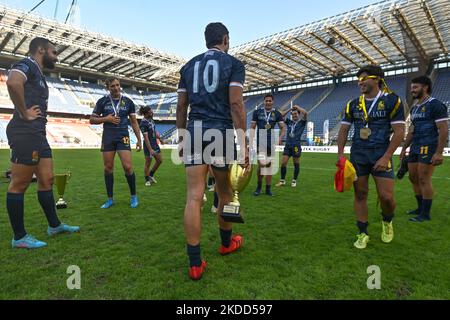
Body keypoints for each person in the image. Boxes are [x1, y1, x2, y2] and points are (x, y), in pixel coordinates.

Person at [176, 22, 249, 281]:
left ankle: (195, 264)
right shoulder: (233, 64)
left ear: (206, 40)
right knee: (225, 192)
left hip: (195, 131)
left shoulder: (188, 66)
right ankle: (226, 243)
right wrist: (244, 143)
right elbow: (236, 103)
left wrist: (182, 136)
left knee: (194, 197)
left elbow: (182, 105)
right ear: (226, 39)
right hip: (220, 132)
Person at [5, 37, 79, 249]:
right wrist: (23, 112)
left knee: (46, 179)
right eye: (54, 52)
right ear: (40, 50)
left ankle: (54, 226)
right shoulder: (27, 64)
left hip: (38, 134)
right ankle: (19, 237)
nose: (56, 57)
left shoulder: (37, 71)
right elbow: (12, 81)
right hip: (25, 132)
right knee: (19, 184)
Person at [337, 65, 405, 250]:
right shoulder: (353, 104)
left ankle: (387, 220)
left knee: (386, 197)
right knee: (360, 194)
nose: (360, 82)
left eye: (364, 78)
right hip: (358, 155)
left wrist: (387, 156)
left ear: (377, 79)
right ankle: (362, 232)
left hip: (381, 154)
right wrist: (341, 154)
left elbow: (400, 131)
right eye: (358, 79)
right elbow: (344, 130)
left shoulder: (392, 100)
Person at [400, 76, 449, 222]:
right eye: (411, 88)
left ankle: (425, 214)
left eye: (415, 87)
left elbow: (443, 129)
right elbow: (412, 130)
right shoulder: (415, 108)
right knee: (413, 177)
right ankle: (420, 208)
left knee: (423, 179)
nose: (412, 91)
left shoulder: (435, 105)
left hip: (429, 146)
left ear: (425, 87)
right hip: (415, 147)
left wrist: (439, 152)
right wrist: (404, 148)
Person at [90, 77, 142, 209]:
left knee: (128, 167)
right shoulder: (102, 101)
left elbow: (134, 122)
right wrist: (106, 118)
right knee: (108, 167)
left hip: (123, 136)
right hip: (108, 136)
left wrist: (139, 140)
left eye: (118, 85)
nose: (116, 88)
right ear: (108, 87)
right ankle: (110, 199)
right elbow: (92, 119)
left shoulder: (128, 102)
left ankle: (134, 196)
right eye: (113, 86)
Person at [251, 94, 286, 196]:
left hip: (271, 142)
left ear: (273, 102)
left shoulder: (277, 113)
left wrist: (280, 137)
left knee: (269, 166)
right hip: (260, 142)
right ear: (264, 101)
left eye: (270, 101)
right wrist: (251, 140)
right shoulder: (257, 112)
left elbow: (283, 128)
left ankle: (268, 189)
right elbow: (252, 127)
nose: (268, 102)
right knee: (262, 165)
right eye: (266, 101)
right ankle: (259, 187)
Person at [276, 105, 308, 188]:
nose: (294, 115)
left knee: (296, 163)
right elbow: (281, 115)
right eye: (293, 114)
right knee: (283, 163)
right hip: (288, 145)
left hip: (296, 146)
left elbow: (305, 113)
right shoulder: (289, 122)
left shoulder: (302, 122)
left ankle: (294, 180)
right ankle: (282, 181)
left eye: (296, 114)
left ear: (298, 114)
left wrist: (298, 107)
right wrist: (290, 109)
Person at [139, 106, 163, 187]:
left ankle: (151, 175)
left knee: (159, 160)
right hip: (148, 145)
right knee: (148, 163)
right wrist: (150, 149)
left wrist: (160, 139)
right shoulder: (143, 123)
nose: (152, 112)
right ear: (146, 113)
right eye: (150, 111)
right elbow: (146, 138)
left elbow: (154, 131)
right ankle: (147, 180)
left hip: (154, 143)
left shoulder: (151, 120)